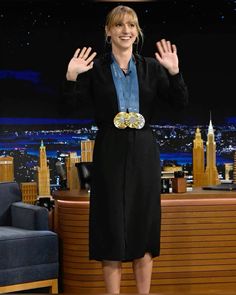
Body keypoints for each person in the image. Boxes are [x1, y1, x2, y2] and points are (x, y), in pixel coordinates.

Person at [64, 5, 188, 294]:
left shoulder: (152, 68)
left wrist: (175, 73)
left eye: (131, 25)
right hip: (110, 150)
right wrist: (71, 77)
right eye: (119, 25)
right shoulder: (96, 69)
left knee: (143, 226)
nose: (126, 31)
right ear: (108, 32)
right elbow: (70, 106)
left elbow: (180, 104)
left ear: (137, 31)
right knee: (111, 225)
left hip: (144, 151)